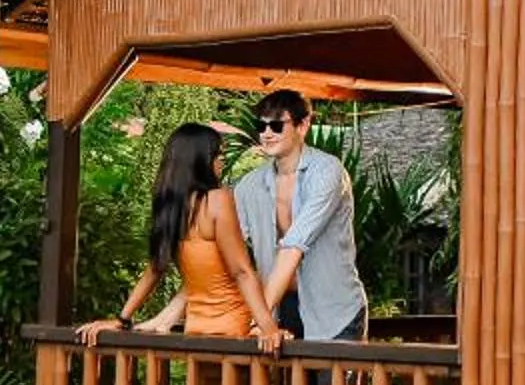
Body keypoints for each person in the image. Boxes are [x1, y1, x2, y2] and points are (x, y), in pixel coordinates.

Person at [78, 123, 285, 353]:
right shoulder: (217, 200)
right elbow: (241, 271)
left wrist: (122, 318)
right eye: (218, 154)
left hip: (197, 326)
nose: (222, 161)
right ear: (201, 160)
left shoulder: (171, 209)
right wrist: (268, 327)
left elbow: (155, 269)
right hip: (233, 323)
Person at [231, 89, 364, 345]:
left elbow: (294, 246)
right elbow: (229, 251)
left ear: (303, 126)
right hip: (281, 311)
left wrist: (260, 319)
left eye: (277, 125)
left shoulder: (327, 171)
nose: (267, 134)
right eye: (262, 125)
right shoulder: (249, 185)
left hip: (333, 311)